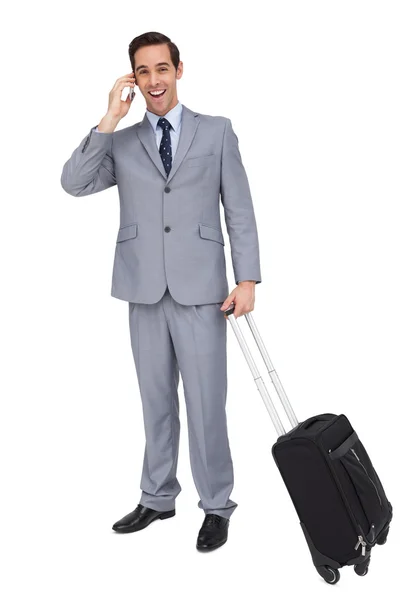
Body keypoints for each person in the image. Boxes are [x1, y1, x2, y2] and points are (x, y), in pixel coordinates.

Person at [60, 31, 262, 552]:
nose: (153, 81)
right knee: (155, 403)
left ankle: (217, 505)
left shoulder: (216, 131)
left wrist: (247, 279)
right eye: (142, 72)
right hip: (142, 286)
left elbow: (237, 207)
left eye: (161, 69)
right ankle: (157, 496)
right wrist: (108, 119)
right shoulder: (121, 142)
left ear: (178, 69)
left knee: (206, 404)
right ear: (133, 77)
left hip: (202, 291)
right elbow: (73, 183)